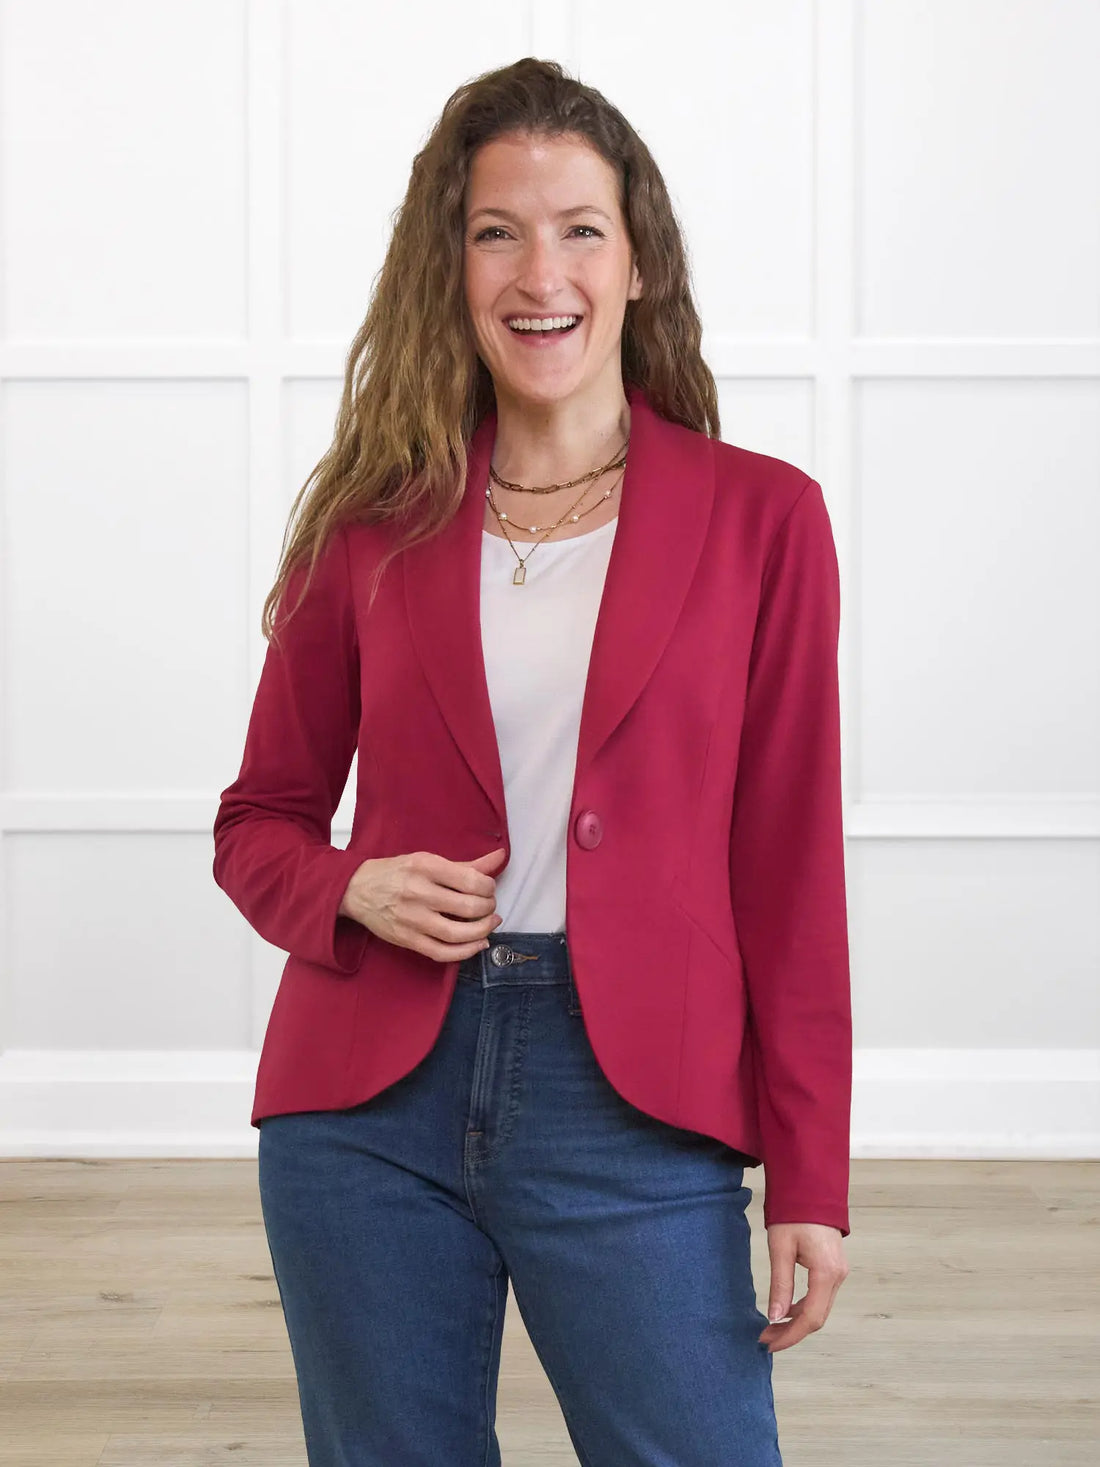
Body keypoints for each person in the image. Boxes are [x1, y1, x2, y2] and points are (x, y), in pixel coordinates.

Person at [213, 56, 851, 1467]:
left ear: (637, 265)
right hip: (367, 1101)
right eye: (497, 230)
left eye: (579, 229)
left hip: (633, 1098)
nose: (537, 270)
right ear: (451, 267)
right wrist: (348, 893)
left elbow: (791, 869)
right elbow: (257, 822)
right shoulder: (374, 523)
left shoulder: (764, 521)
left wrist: (813, 1174)